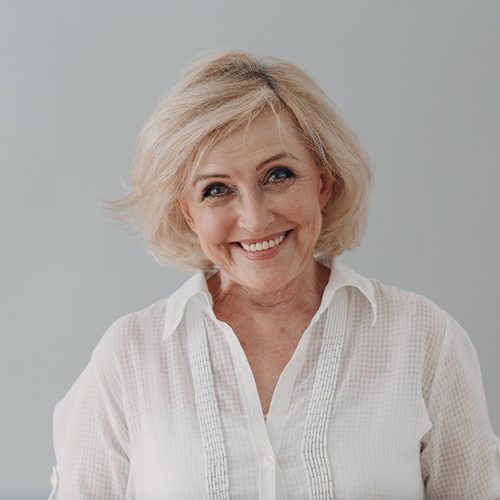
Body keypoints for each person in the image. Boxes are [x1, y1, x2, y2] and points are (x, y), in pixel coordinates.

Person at [48, 50, 500, 499]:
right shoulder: (129, 358)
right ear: (188, 212)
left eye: (278, 175)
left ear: (323, 183)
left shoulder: (423, 340)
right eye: (217, 190)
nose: (255, 218)